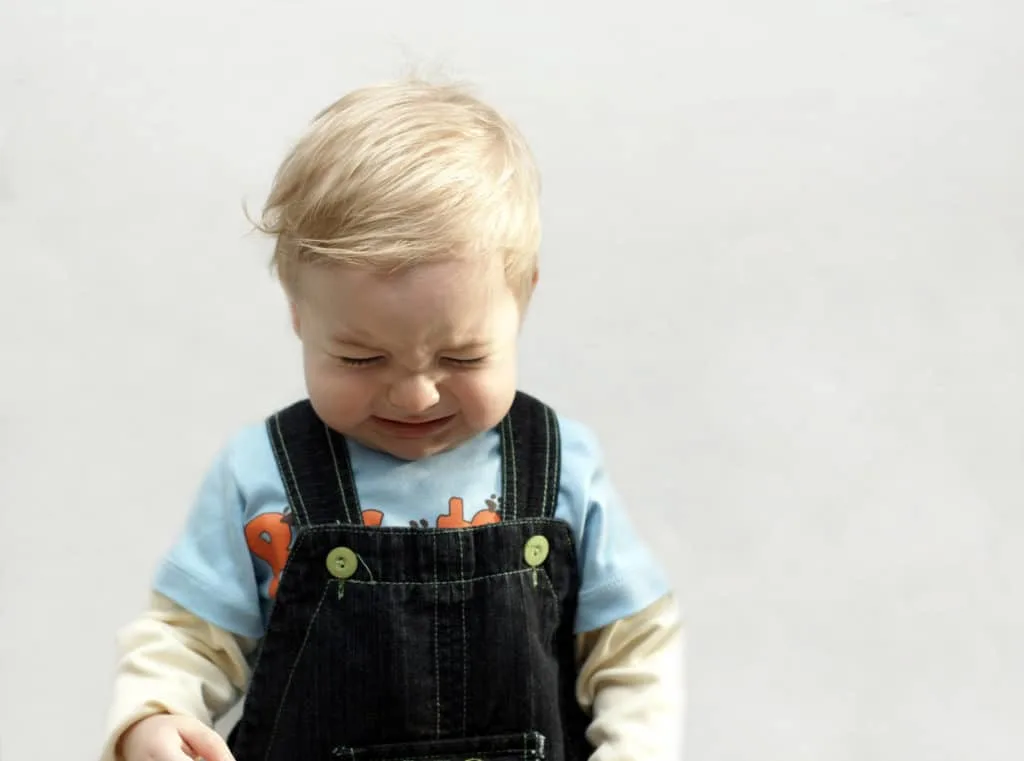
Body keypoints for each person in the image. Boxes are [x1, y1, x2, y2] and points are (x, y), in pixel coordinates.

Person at [100, 78, 684, 761]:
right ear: (298, 315)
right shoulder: (260, 472)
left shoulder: (561, 468)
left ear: (522, 300)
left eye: (463, 356)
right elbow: (188, 638)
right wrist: (151, 716)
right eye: (360, 357)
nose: (414, 396)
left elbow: (632, 642)